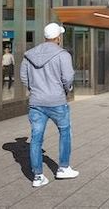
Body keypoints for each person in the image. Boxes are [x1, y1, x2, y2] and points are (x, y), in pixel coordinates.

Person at [19, 22, 79, 188]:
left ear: (46, 37)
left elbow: (24, 77)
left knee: (36, 138)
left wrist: (35, 90)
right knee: (65, 132)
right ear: (58, 37)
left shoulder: (29, 55)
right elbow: (67, 78)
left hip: (36, 103)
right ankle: (63, 168)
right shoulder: (63, 55)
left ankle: (37, 176)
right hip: (57, 101)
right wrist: (66, 90)